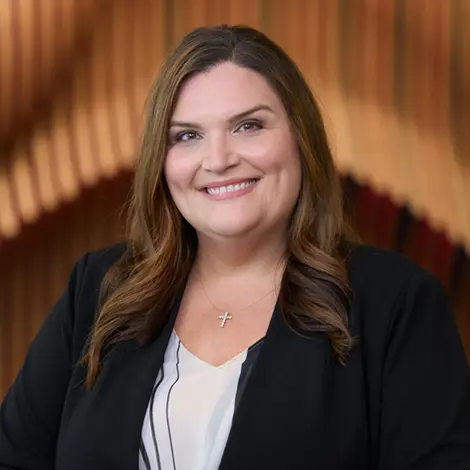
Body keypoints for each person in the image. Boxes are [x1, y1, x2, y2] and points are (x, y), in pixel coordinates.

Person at [1, 24, 469, 470]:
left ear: (301, 140)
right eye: (187, 136)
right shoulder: (98, 289)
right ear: (161, 163)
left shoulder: (397, 304)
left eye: (248, 126)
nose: (219, 159)